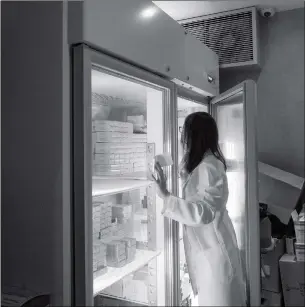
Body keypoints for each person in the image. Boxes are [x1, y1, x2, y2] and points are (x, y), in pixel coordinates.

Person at [153, 112, 246, 306]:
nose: (182, 137)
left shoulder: (209, 167)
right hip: (208, 251)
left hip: (215, 255)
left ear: (195, 135)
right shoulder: (204, 164)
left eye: (185, 132)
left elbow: (203, 212)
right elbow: (199, 194)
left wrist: (165, 196)